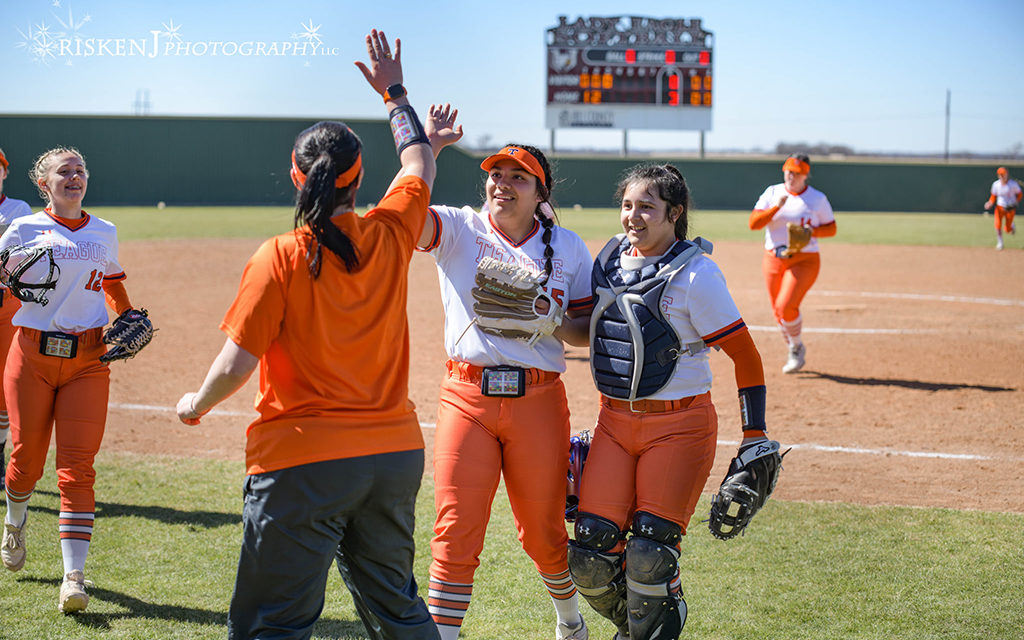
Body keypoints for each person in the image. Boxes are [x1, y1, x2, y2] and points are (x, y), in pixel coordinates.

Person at [175, 29, 446, 640]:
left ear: (296, 176)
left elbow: (236, 364)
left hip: (302, 462)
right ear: (358, 175)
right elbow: (420, 159)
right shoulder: (390, 230)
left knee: (274, 624)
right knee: (399, 612)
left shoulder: (279, 256)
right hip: (394, 456)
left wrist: (196, 404)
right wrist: (393, 93)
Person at [569, 164, 772, 640]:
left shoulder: (697, 274)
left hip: (679, 428)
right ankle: (648, 624)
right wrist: (540, 316)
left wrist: (754, 433)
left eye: (646, 207)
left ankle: (656, 618)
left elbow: (746, 356)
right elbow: (588, 332)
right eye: (627, 205)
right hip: (613, 426)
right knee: (589, 558)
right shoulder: (611, 259)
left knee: (648, 556)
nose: (633, 216)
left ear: (674, 213)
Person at [416, 137, 594, 639]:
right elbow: (403, 217)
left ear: (541, 192)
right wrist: (425, 150)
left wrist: (548, 318)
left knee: (543, 533)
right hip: (466, 396)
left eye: (519, 177)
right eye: (497, 174)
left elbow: (582, 331)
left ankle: (569, 621)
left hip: (537, 400)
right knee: (455, 531)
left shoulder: (569, 248)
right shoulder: (458, 226)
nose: (503, 184)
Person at [0, 146, 147, 614]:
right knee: (25, 461)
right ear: (44, 184)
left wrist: (127, 315)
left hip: (88, 359)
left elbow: (112, 284)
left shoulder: (105, 231)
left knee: (78, 468)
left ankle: (73, 578)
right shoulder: (21, 229)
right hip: (31, 357)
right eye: (65, 171)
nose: (75, 176)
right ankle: (15, 520)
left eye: (81, 170)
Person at [749, 153, 836, 373]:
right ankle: (793, 347)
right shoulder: (772, 193)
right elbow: (754, 224)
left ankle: (796, 348)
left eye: (796, 173)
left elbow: (831, 228)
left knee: (785, 306)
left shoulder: (817, 199)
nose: (791, 175)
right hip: (773, 259)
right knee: (777, 311)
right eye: (788, 171)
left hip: (804, 259)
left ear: (805, 175)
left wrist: (811, 232)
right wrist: (776, 207)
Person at [0, 148, 33, 497]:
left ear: (5, 173)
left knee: (1, 386)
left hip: (6, 307)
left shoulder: (18, 210)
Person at [983, 166, 1021, 250]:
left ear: (1007, 174)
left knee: (1007, 230)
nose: (1002, 176)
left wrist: (1016, 201)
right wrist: (990, 203)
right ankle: (1000, 242)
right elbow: (993, 196)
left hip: (1010, 208)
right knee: (997, 225)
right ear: (998, 175)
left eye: (1003, 174)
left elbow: (1020, 194)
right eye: (1000, 175)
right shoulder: (996, 184)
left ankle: (1011, 225)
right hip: (1000, 207)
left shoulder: (1012, 184)